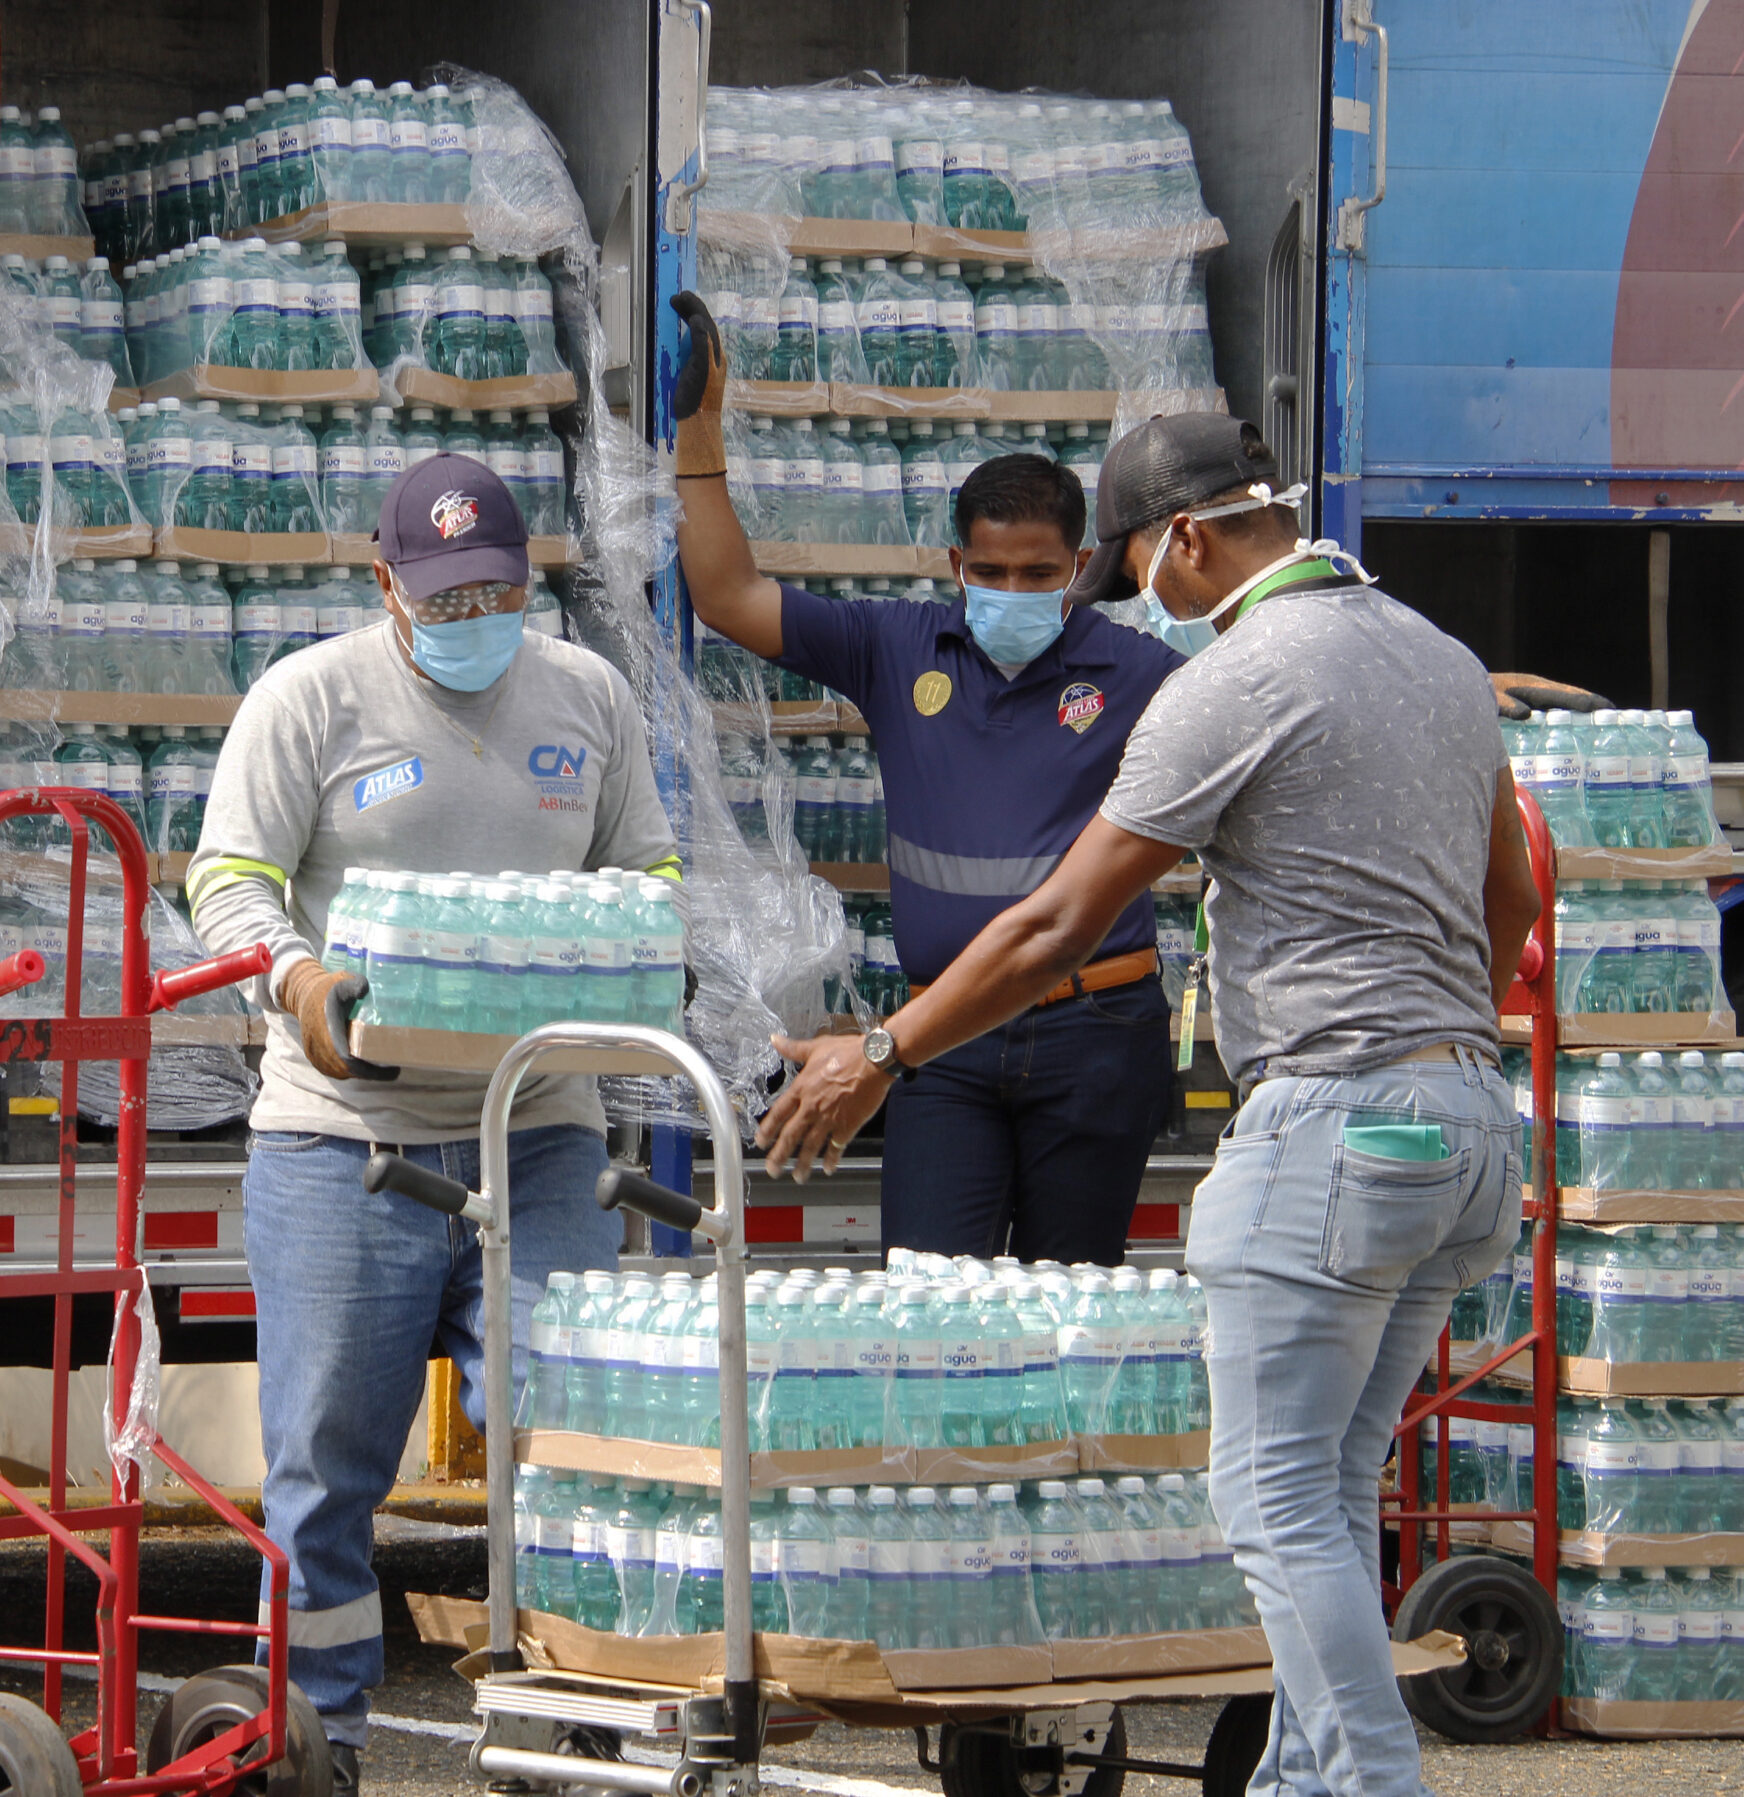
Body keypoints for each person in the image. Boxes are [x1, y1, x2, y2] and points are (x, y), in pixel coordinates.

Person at [755, 411, 1542, 1797]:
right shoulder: (1441, 657)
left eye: (1137, 570)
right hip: (1470, 1122)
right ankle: (1307, 1782)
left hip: (1336, 1129)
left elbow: (1056, 921)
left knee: (1272, 1498)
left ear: (1188, 537)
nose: (1146, 606)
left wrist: (884, 1053)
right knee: (1336, 1488)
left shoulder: (1238, 681)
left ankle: (1368, 1785)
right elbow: (1514, 900)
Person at [186, 454, 681, 1795]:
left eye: (505, 591)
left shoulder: (587, 697)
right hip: (347, 1140)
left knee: (581, 1435)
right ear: (386, 581)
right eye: (451, 596)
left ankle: (569, 1725)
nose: (480, 618)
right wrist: (293, 975)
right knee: (330, 1461)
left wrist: (648, 951)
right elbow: (226, 878)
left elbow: (643, 868)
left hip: (543, 1131)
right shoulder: (309, 700)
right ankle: (318, 1741)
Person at [668, 290, 1185, 1262]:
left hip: (1097, 1031)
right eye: (991, 572)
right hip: (938, 1034)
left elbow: (1266, 713)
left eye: (1039, 575)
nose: (1013, 592)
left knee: (1067, 1319)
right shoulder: (895, 647)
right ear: (957, 561)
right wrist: (697, 433)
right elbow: (728, 596)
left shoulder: (1142, 674)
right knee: (924, 1296)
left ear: (1077, 568)